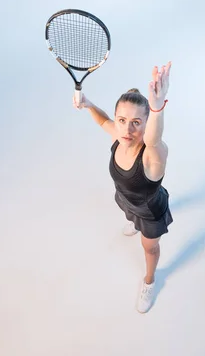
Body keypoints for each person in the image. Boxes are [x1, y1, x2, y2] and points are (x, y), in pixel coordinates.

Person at [73, 61, 173, 313]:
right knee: (130, 215)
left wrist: (157, 107)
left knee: (149, 247)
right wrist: (87, 104)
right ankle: (133, 221)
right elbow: (103, 121)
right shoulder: (119, 134)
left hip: (150, 210)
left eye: (137, 122)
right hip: (128, 201)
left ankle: (150, 280)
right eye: (122, 120)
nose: (127, 129)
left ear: (147, 123)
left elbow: (154, 139)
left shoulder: (153, 155)